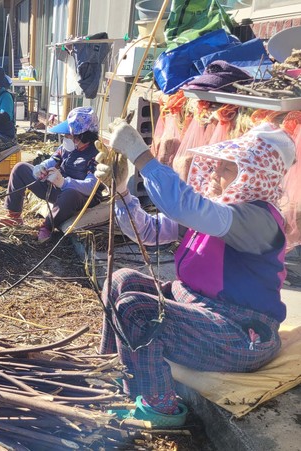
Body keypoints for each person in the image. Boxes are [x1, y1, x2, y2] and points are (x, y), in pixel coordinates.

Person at [93, 121, 295, 426]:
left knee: (136, 310)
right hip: (200, 309)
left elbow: (184, 207)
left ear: (255, 175)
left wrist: (141, 157)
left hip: (240, 332)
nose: (214, 172)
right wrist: (120, 191)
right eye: (218, 164)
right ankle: (115, 370)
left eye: (228, 168)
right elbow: (148, 230)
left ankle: (159, 406)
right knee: (120, 281)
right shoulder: (219, 209)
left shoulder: (259, 219)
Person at [0, 106, 101, 243]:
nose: (65, 137)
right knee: (20, 168)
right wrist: (41, 168)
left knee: (70, 194)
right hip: (58, 188)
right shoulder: (67, 148)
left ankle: (47, 226)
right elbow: (53, 160)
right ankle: (14, 215)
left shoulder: (97, 155)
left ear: (82, 135)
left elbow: (91, 186)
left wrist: (64, 183)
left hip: (80, 197)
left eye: (68, 135)